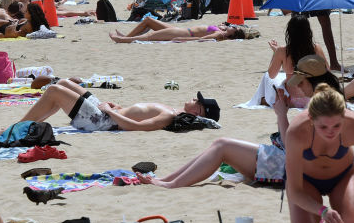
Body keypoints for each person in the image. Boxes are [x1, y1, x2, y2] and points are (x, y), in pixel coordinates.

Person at [139, 55, 341, 188]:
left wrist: (281, 114)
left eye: (301, 82)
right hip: (291, 163)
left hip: (292, 169)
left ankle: (170, 184)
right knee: (221, 144)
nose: (299, 87)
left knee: (223, 146)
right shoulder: (327, 101)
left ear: (311, 81)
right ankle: (166, 179)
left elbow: (293, 148)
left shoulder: (319, 106)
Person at [284, 81, 354, 223]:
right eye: (323, 127)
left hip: (344, 176)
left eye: (337, 125)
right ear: (311, 118)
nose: (330, 131)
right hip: (305, 182)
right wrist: (322, 210)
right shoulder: (297, 131)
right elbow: (295, 191)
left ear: (344, 116)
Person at [9, 79, 219, 132]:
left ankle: (17, 127)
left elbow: (135, 127)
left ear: (197, 110)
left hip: (103, 122)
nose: (193, 98)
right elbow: (136, 115)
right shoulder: (172, 110)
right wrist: (117, 107)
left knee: (54, 90)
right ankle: (29, 123)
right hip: (110, 114)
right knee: (64, 83)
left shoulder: (168, 117)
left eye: (196, 101)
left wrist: (110, 112)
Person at [108, 16, 259, 43]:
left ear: (232, 34)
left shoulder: (219, 34)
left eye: (234, 28)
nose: (232, 26)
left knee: (150, 36)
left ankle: (123, 40)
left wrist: (183, 40)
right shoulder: (222, 29)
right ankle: (126, 36)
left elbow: (201, 39)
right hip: (180, 29)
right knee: (148, 21)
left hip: (181, 33)